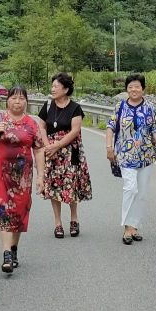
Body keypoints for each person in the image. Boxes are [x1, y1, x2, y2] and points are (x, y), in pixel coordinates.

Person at [0, 85, 45, 274]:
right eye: (14, 98)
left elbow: (38, 149)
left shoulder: (31, 123)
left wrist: (41, 176)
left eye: (21, 98)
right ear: (7, 100)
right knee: (3, 209)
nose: (17, 102)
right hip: (1, 174)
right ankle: (6, 253)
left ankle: (13, 249)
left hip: (23, 176)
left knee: (19, 211)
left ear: (26, 101)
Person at [106, 72, 156, 244]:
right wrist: (109, 147)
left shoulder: (150, 107)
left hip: (146, 156)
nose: (134, 90)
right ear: (126, 89)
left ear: (143, 89)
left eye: (137, 87)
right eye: (130, 87)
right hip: (125, 156)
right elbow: (110, 127)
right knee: (130, 188)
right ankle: (127, 226)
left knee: (142, 193)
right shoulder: (120, 107)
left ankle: (134, 225)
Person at [37, 72, 92, 238]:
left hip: (70, 152)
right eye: (52, 86)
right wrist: (48, 147)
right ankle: (58, 223)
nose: (52, 89)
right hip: (51, 153)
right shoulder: (47, 105)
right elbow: (41, 127)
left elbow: (75, 131)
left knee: (71, 185)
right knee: (54, 186)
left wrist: (57, 146)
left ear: (66, 89)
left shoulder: (75, 108)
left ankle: (74, 219)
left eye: (56, 86)